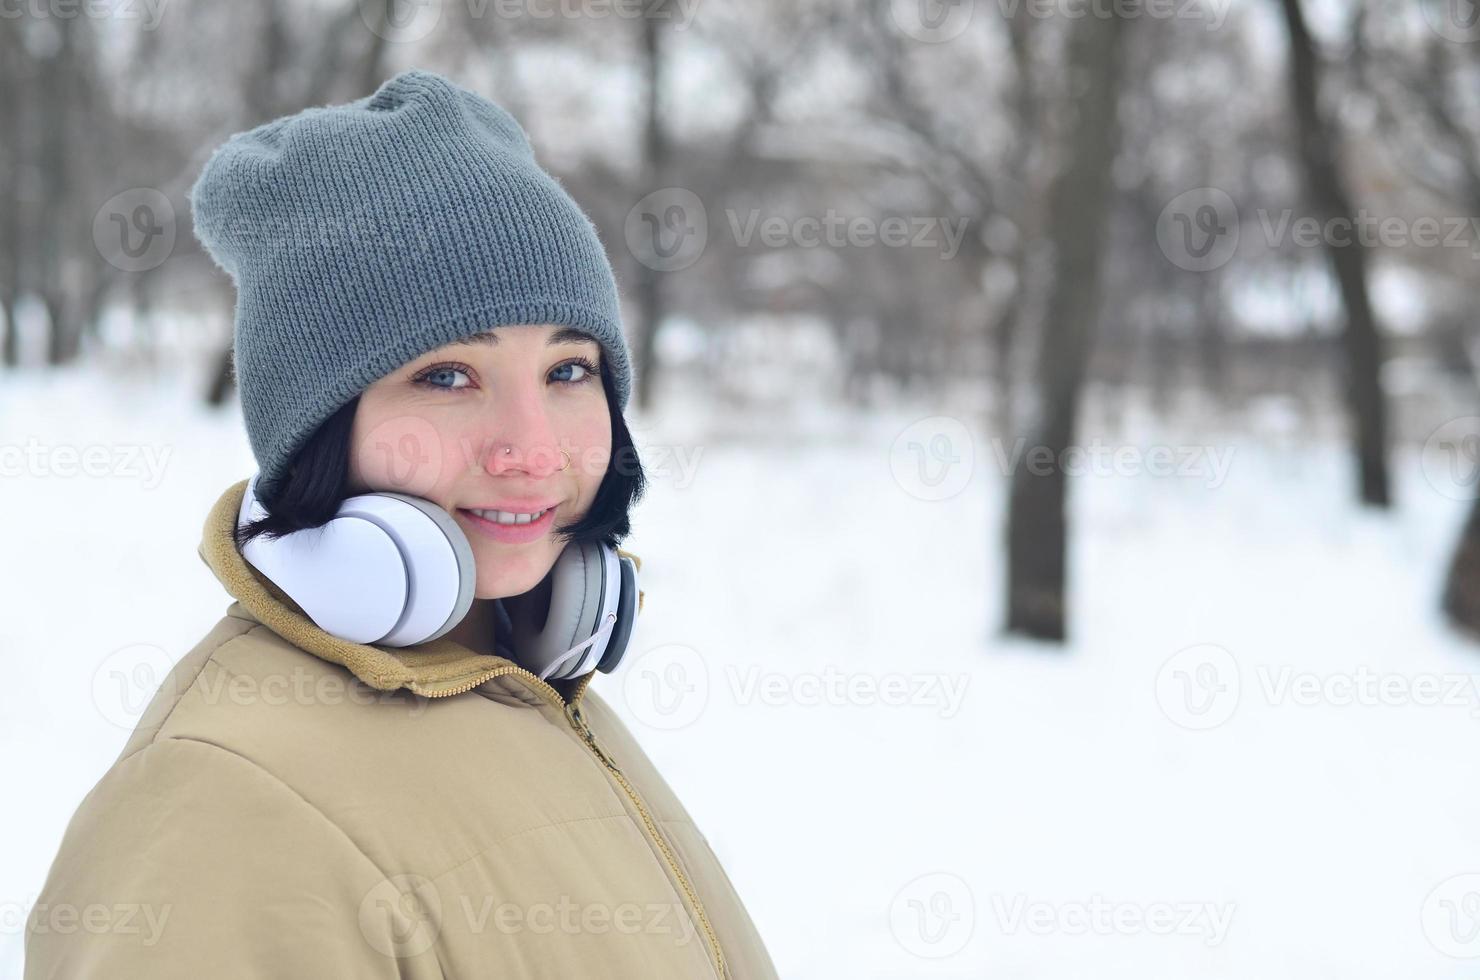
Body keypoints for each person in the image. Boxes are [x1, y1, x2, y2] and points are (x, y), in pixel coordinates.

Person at [25, 68, 777, 980]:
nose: (533, 451)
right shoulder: (224, 797)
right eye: (449, 377)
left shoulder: (525, 687)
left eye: (568, 371)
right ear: (321, 429)